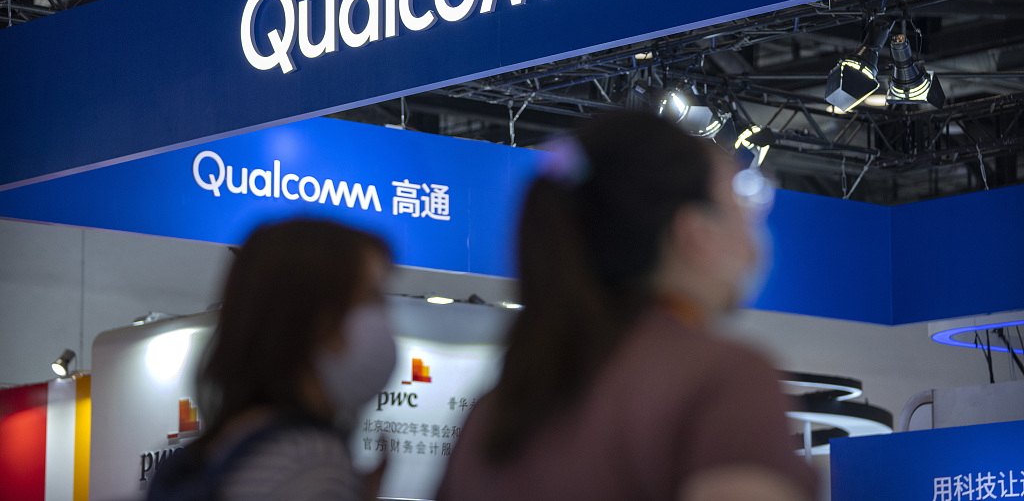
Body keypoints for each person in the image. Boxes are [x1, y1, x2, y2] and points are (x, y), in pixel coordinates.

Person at [436, 111, 817, 501]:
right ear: (694, 233)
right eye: (741, 203)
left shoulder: (492, 414)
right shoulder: (721, 379)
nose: (753, 230)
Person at [147, 218, 395, 501]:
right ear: (315, 317)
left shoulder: (228, 443)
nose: (385, 318)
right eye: (372, 297)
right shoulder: (311, 462)